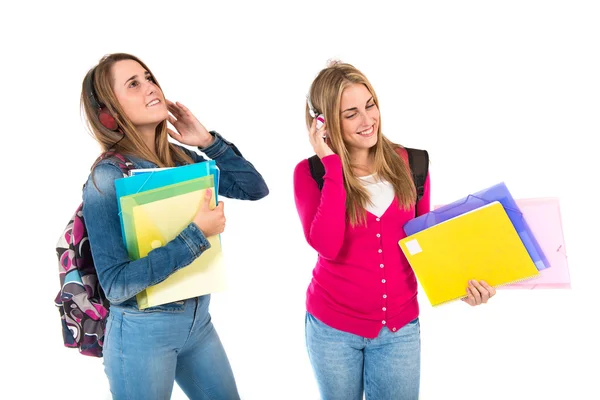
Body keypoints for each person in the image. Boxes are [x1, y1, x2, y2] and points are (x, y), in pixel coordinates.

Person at [293, 60, 496, 400]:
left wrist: (460, 286)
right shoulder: (311, 174)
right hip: (332, 330)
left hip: (399, 329)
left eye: (370, 105)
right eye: (351, 113)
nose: (367, 120)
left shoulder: (413, 164)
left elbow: (421, 246)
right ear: (324, 122)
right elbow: (327, 245)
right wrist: (332, 164)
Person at [80, 53, 269, 399]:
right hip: (141, 335)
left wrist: (209, 142)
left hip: (198, 325)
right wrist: (196, 235)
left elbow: (254, 188)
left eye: (148, 77)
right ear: (109, 114)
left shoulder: (182, 158)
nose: (150, 88)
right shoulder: (106, 178)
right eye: (133, 85)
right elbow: (117, 285)